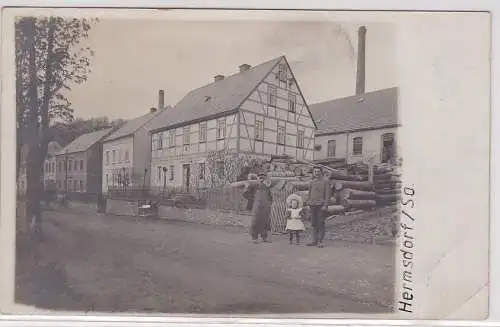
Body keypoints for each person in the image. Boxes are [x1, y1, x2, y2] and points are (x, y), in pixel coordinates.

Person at [306, 166, 331, 248]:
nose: (317, 173)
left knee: (320, 223)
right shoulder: (312, 182)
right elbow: (309, 194)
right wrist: (309, 203)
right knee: (313, 223)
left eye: (318, 171)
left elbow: (328, 195)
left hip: (321, 205)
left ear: (321, 172)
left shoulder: (325, 181)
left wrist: (325, 205)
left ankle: (320, 241)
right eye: (315, 171)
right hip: (312, 205)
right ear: (313, 173)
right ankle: (314, 240)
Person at [250, 173, 273, 243]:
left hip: (265, 205)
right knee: (255, 221)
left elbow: (270, 196)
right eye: (260, 178)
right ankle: (254, 237)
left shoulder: (267, 187)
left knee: (265, 221)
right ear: (258, 179)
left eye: (263, 178)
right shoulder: (254, 186)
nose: (262, 179)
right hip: (257, 205)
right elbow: (248, 195)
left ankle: (264, 237)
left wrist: (269, 203)